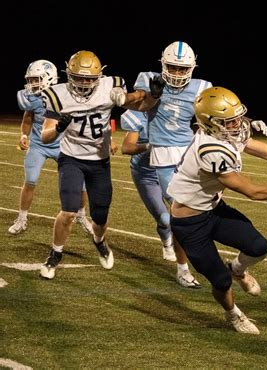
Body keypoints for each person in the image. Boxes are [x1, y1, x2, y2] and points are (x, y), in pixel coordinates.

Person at [168, 86, 267, 335]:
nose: (237, 125)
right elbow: (251, 191)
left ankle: (238, 269)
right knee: (220, 281)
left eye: (237, 118)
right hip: (189, 224)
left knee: (258, 246)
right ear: (210, 124)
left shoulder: (224, 133)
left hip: (213, 208)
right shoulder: (210, 149)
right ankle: (234, 315)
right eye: (229, 121)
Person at [38, 50, 159, 280]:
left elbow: (140, 105)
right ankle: (55, 253)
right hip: (71, 158)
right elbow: (45, 137)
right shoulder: (57, 94)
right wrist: (59, 128)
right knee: (69, 211)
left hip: (99, 161)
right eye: (79, 77)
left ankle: (99, 241)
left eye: (89, 79)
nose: (84, 83)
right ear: (68, 74)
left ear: (99, 76)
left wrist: (152, 96)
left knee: (100, 215)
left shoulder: (111, 85)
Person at [117, 41, 212, 288]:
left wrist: (247, 122)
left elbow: (216, 112)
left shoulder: (201, 87)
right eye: (172, 67)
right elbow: (138, 102)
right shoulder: (148, 88)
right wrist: (127, 98)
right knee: (166, 218)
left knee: (182, 213)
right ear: (162, 64)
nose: (177, 74)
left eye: (182, 69)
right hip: (145, 169)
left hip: (180, 156)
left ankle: (184, 264)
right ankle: (175, 252)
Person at [9, 59, 93, 236]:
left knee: (82, 184)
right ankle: (22, 218)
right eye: (31, 80)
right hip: (39, 144)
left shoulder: (64, 94)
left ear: (49, 78)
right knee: (30, 180)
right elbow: (27, 119)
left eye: (36, 79)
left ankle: (81, 215)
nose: (32, 84)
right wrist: (24, 135)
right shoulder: (32, 99)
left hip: (63, 145)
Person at [120, 109, 202, 288]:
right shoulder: (139, 114)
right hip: (146, 174)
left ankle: (183, 269)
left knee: (180, 216)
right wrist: (151, 146)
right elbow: (126, 147)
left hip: (172, 168)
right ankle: (166, 239)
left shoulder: (174, 110)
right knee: (164, 219)